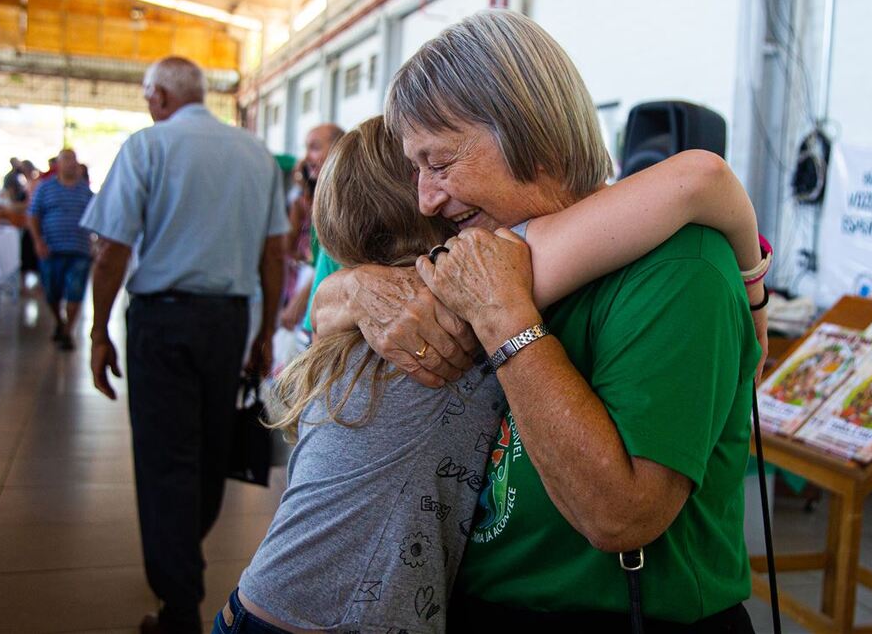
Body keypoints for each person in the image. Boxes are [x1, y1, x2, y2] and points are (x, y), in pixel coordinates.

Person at [216, 109, 765, 633]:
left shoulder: (389, 312)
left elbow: (323, 309)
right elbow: (702, 176)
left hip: (272, 606)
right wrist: (754, 288)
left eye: (441, 163)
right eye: (424, 168)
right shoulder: (447, 304)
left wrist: (345, 286)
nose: (433, 190)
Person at [79, 56, 288, 634]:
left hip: (163, 322)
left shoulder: (147, 146)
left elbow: (112, 249)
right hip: (228, 323)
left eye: (149, 96)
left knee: (164, 458)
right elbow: (274, 252)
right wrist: (264, 332)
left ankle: (179, 606)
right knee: (212, 448)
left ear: (162, 97)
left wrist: (98, 332)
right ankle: (181, 559)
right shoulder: (255, 154)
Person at [27, 148, 94, 351]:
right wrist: (38, 241)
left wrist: (97, 243)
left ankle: (67, 331)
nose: (71, 163)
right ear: (58, 164)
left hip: (79, 250)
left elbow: (96, 218)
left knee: (75, 292)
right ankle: (59, 321)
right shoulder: (45, 188)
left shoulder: (85, 191)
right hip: (51, 249)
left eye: (73, 159)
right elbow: (33, 215)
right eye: (66, 159)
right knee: (51, 292)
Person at [279, 125, 344, 334]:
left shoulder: (343, 199)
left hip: (323, 307)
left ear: (339, 149)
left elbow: (329, 259)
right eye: (306, 149)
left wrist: (300, 301)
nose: (307, 157)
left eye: (315, 148)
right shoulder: (311, 197)